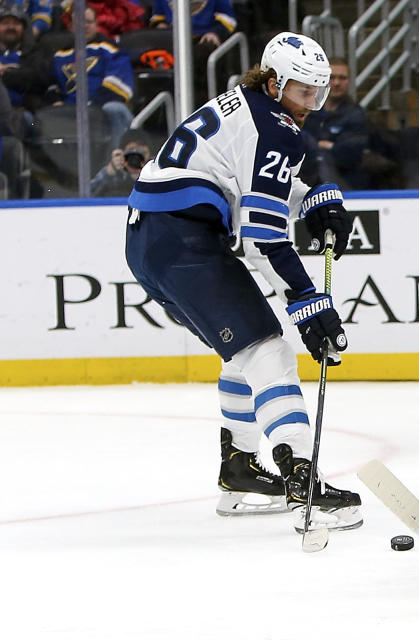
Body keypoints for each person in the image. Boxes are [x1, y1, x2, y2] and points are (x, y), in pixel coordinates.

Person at [125, 32, 362, 528]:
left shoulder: (245, 103)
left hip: (152, 241)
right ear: (274, 83)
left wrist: (312, 199)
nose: (311, 105)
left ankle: (240, 470)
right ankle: (301, 474)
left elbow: (251, 178)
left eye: (318, 93)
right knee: (267, 349)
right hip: (182, 241)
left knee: (244, 349)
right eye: (303, 91)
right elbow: (264, 237)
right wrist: (308, 301)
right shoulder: (276, 126)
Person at [47, 5, 134, 148]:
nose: (85, 26)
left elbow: (119, 86)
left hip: (101, 109)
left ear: (96, 24)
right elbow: (53, 86)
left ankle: (114, 165)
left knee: (115, 109)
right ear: (70, 26)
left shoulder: (110, 50)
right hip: (71, 112)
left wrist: (92, 106)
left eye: (89, 22)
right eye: (79, 23)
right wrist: (56, 101)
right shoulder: (60, 56)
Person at [300, 57, 372, 190]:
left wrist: (319, 146)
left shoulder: (357, 115)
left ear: (349, 81)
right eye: (331, 78)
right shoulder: (308, 112)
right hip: (307, 186)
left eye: (342, 78)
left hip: (347, 187)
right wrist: (328, 145)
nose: (337, 83)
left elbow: (350, 154)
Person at [149, 0, 236, 104]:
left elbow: (228, 18)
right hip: (173, 40)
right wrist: (161, 28)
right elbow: (158, 17)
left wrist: (214, 32)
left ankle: (200, 105)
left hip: (203, 39)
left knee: (198, 56)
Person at [90, 127, 152, 196]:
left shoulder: (156, 173)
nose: (136, 157)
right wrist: (109, 173)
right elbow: (88, 197)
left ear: (149, 155)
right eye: (131, 151)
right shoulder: (114, 174)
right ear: (122, 153)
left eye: (142, 153)